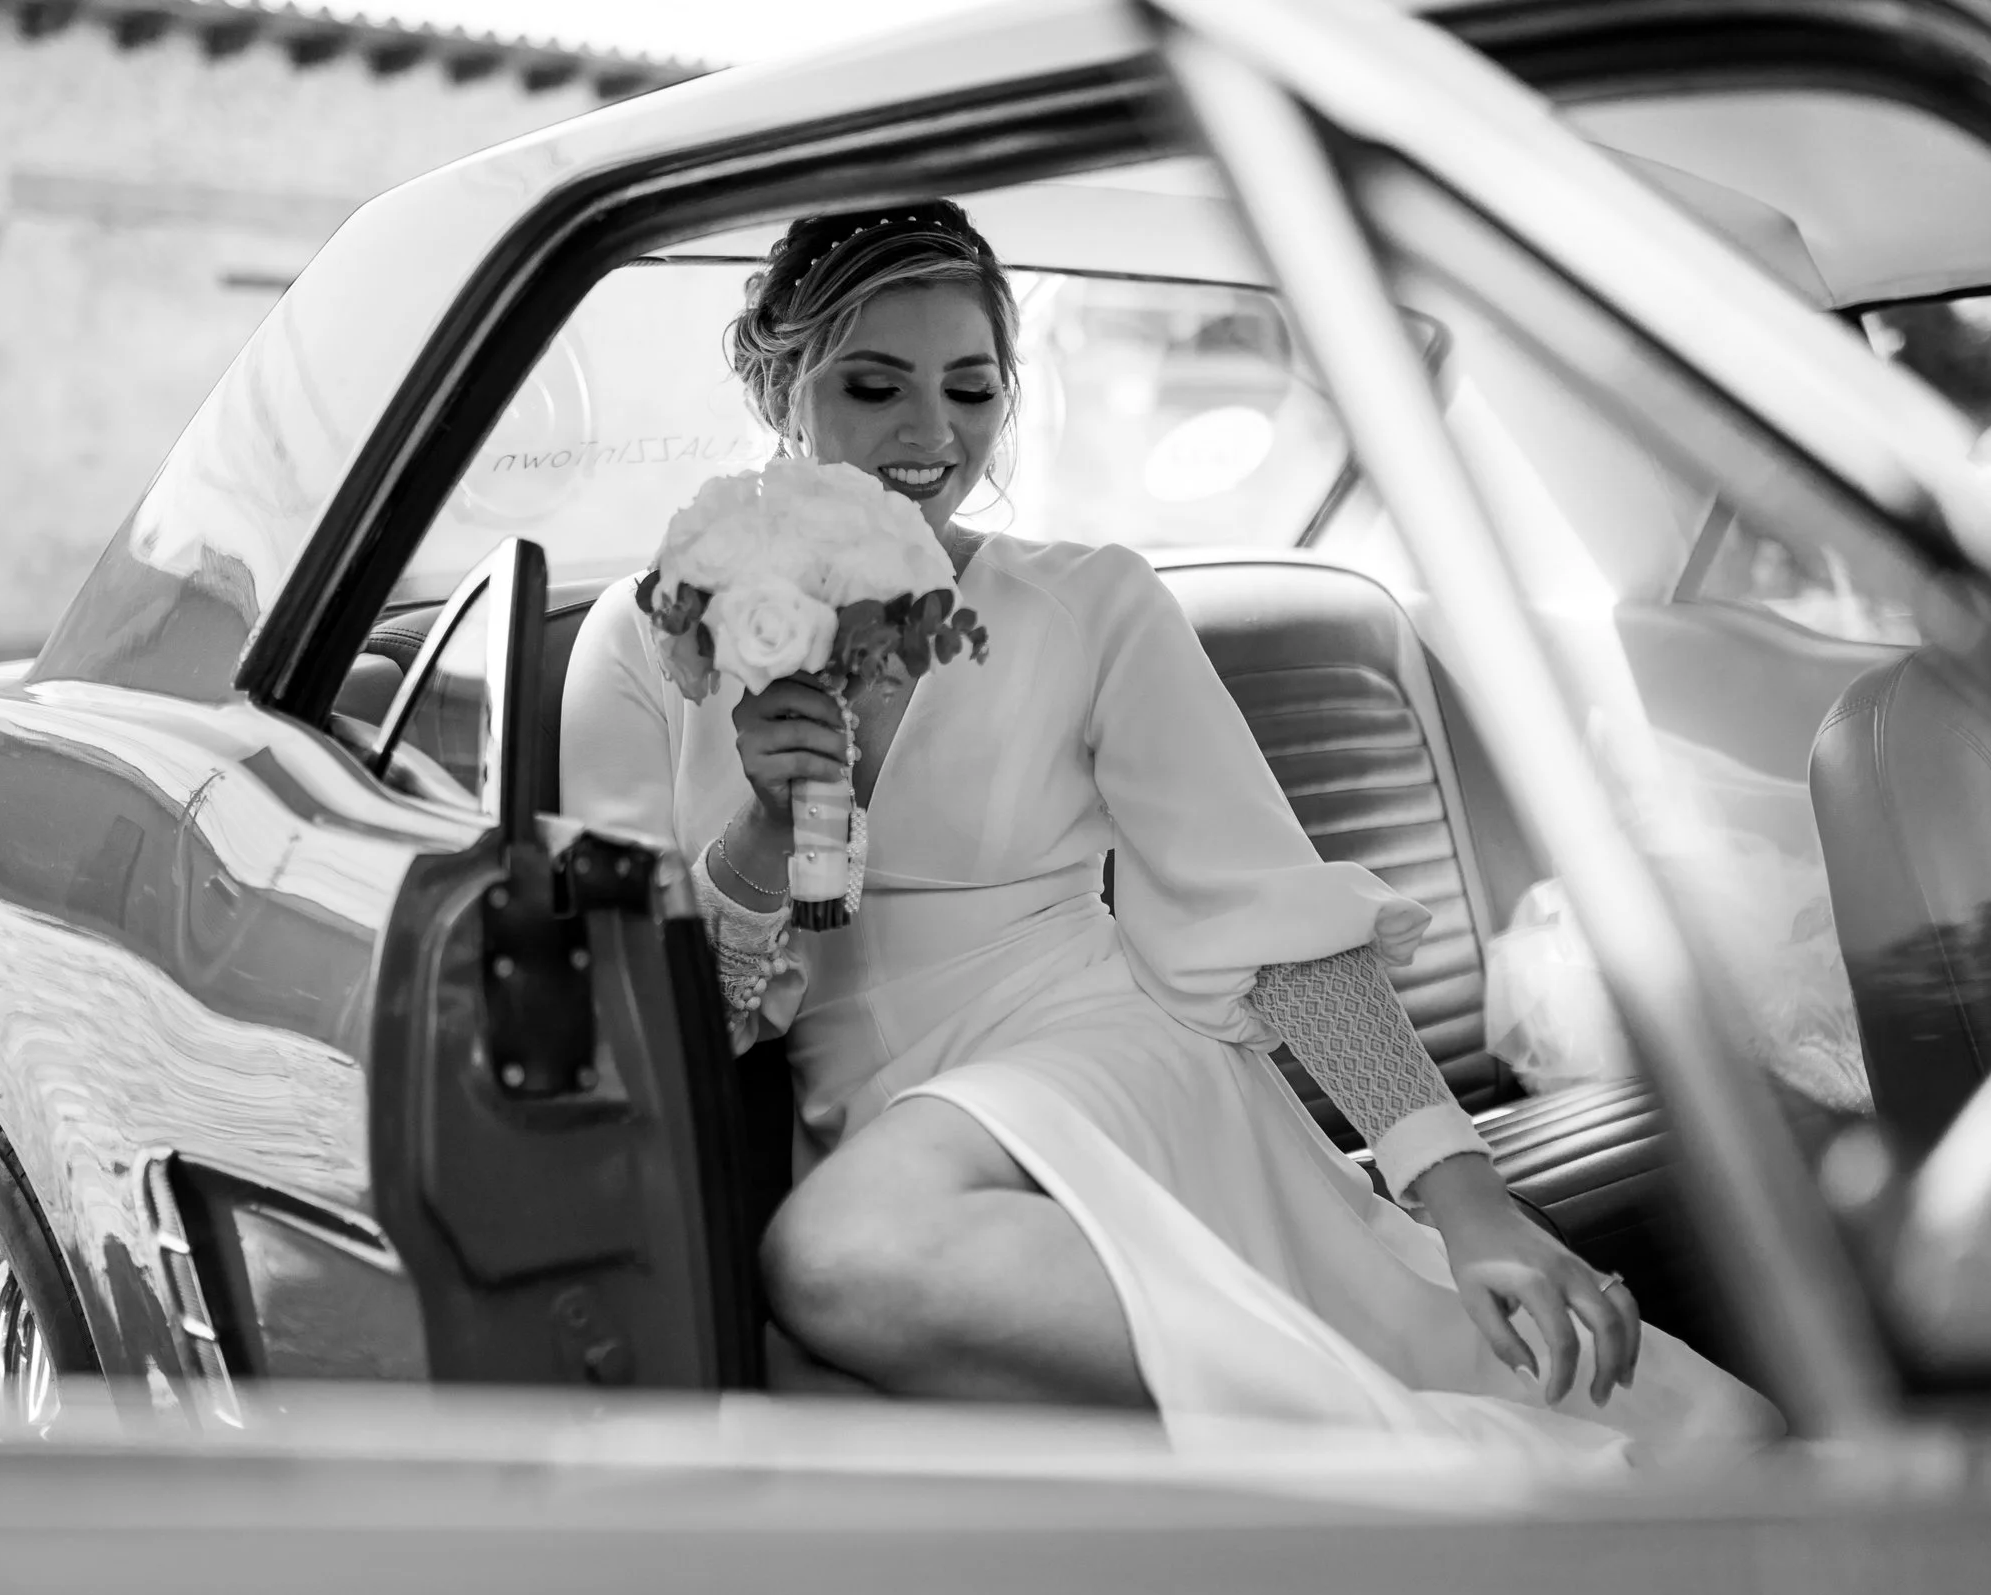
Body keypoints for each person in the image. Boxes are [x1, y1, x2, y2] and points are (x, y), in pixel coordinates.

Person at [561, 199, 1775, 1470]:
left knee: (838, 1254)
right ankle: (1422, 1469)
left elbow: (1266, 909)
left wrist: (1466, 1197)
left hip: (1102, 1048)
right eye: (875, 388)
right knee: (821, 1357)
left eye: (971, 390)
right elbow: (657, 1023)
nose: (931, 436)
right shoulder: (651, 639)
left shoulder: (1086, 601)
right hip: (890, 1111)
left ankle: (1458, 1475)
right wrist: (761, 829)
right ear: (783, 387)